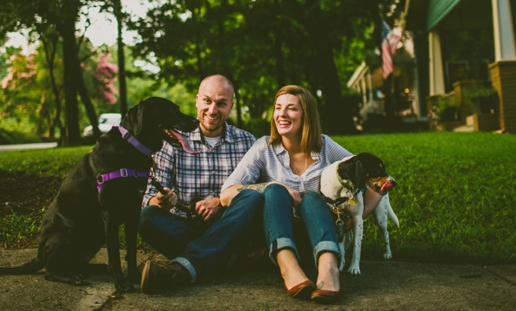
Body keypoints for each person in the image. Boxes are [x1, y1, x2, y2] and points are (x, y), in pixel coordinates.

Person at [220, 85, 382, 304]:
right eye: (278, 108)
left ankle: (329, 267)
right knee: (275, 190)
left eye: (291, 109)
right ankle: (288, 267)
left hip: (319, 235)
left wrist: (353, 220)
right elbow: (227, 194)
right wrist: (270, 185)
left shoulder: (326, 147)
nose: (282, 114)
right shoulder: (263, 148)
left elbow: (373, 180)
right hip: (276, 236)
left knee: (313, 199)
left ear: (306, 114)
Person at [139, 75, 261, 294]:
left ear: (231, 106)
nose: (212, 110)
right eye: (207, 101)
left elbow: (259, 193)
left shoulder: (247, 142)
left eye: (221, 104)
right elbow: (148, 198)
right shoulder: (172, 141)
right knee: (147, 217)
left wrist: (221, 203)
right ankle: (225, 258)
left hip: (231, 225)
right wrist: (160, 200)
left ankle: (185, 267)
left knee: (251, 197)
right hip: (184, 225)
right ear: (197, 101)